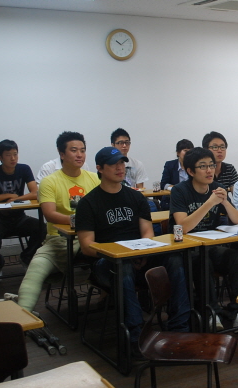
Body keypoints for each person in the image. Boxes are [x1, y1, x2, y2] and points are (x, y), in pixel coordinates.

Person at [76, 147, 190, 355]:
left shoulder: (136, 198)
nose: (120, 168)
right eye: (113, 164)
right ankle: (136, 335)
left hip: (139, 256)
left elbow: (147, 233)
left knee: (175, 258)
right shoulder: (88, 203)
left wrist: (142, 253)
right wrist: (121, 254)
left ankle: (179, 327)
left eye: (122, 163)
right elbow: (87, 246)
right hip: (107, 263)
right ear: (100, 168)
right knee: (123, 268)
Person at [170, 147, 238, 330]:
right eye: (203, 166)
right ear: (190, 171)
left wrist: (225, 202)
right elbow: (183, 226)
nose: (209, 170)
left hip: (210, 245)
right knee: (203, 262)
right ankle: (211, 314)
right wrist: (209, 203)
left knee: (237, 259)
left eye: (211, 165)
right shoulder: (180, 191)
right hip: (186, 249)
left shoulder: (216, 187)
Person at [17, 131, 100, 312]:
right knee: (35, 270)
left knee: (114, 257)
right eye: (74, 150)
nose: (80, 155)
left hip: (91, 237)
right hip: (59, 239)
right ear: (62, 154)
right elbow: (50, 214)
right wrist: (81, 220)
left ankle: (109, 298)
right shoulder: (49, 181)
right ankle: (22, 316)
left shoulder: (94, 178)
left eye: (83, 150)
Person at [0, 139, 44, 269]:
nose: (13, 158)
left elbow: (35, 193)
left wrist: (17, 199)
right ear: (0, 157)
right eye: (8, 155)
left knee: (42, 228)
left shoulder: (24, 169)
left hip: (20, 218)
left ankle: (26, 257)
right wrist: (8, 196)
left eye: (15, 154)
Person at [159, 139, 194, 210]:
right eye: (185, 151)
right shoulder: (170, 165)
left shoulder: (194, 166)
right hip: (172, 198)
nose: (188, 154)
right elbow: (164, 184)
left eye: (190, 151)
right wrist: (178, 189)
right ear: (178, 153)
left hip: (191, 199)